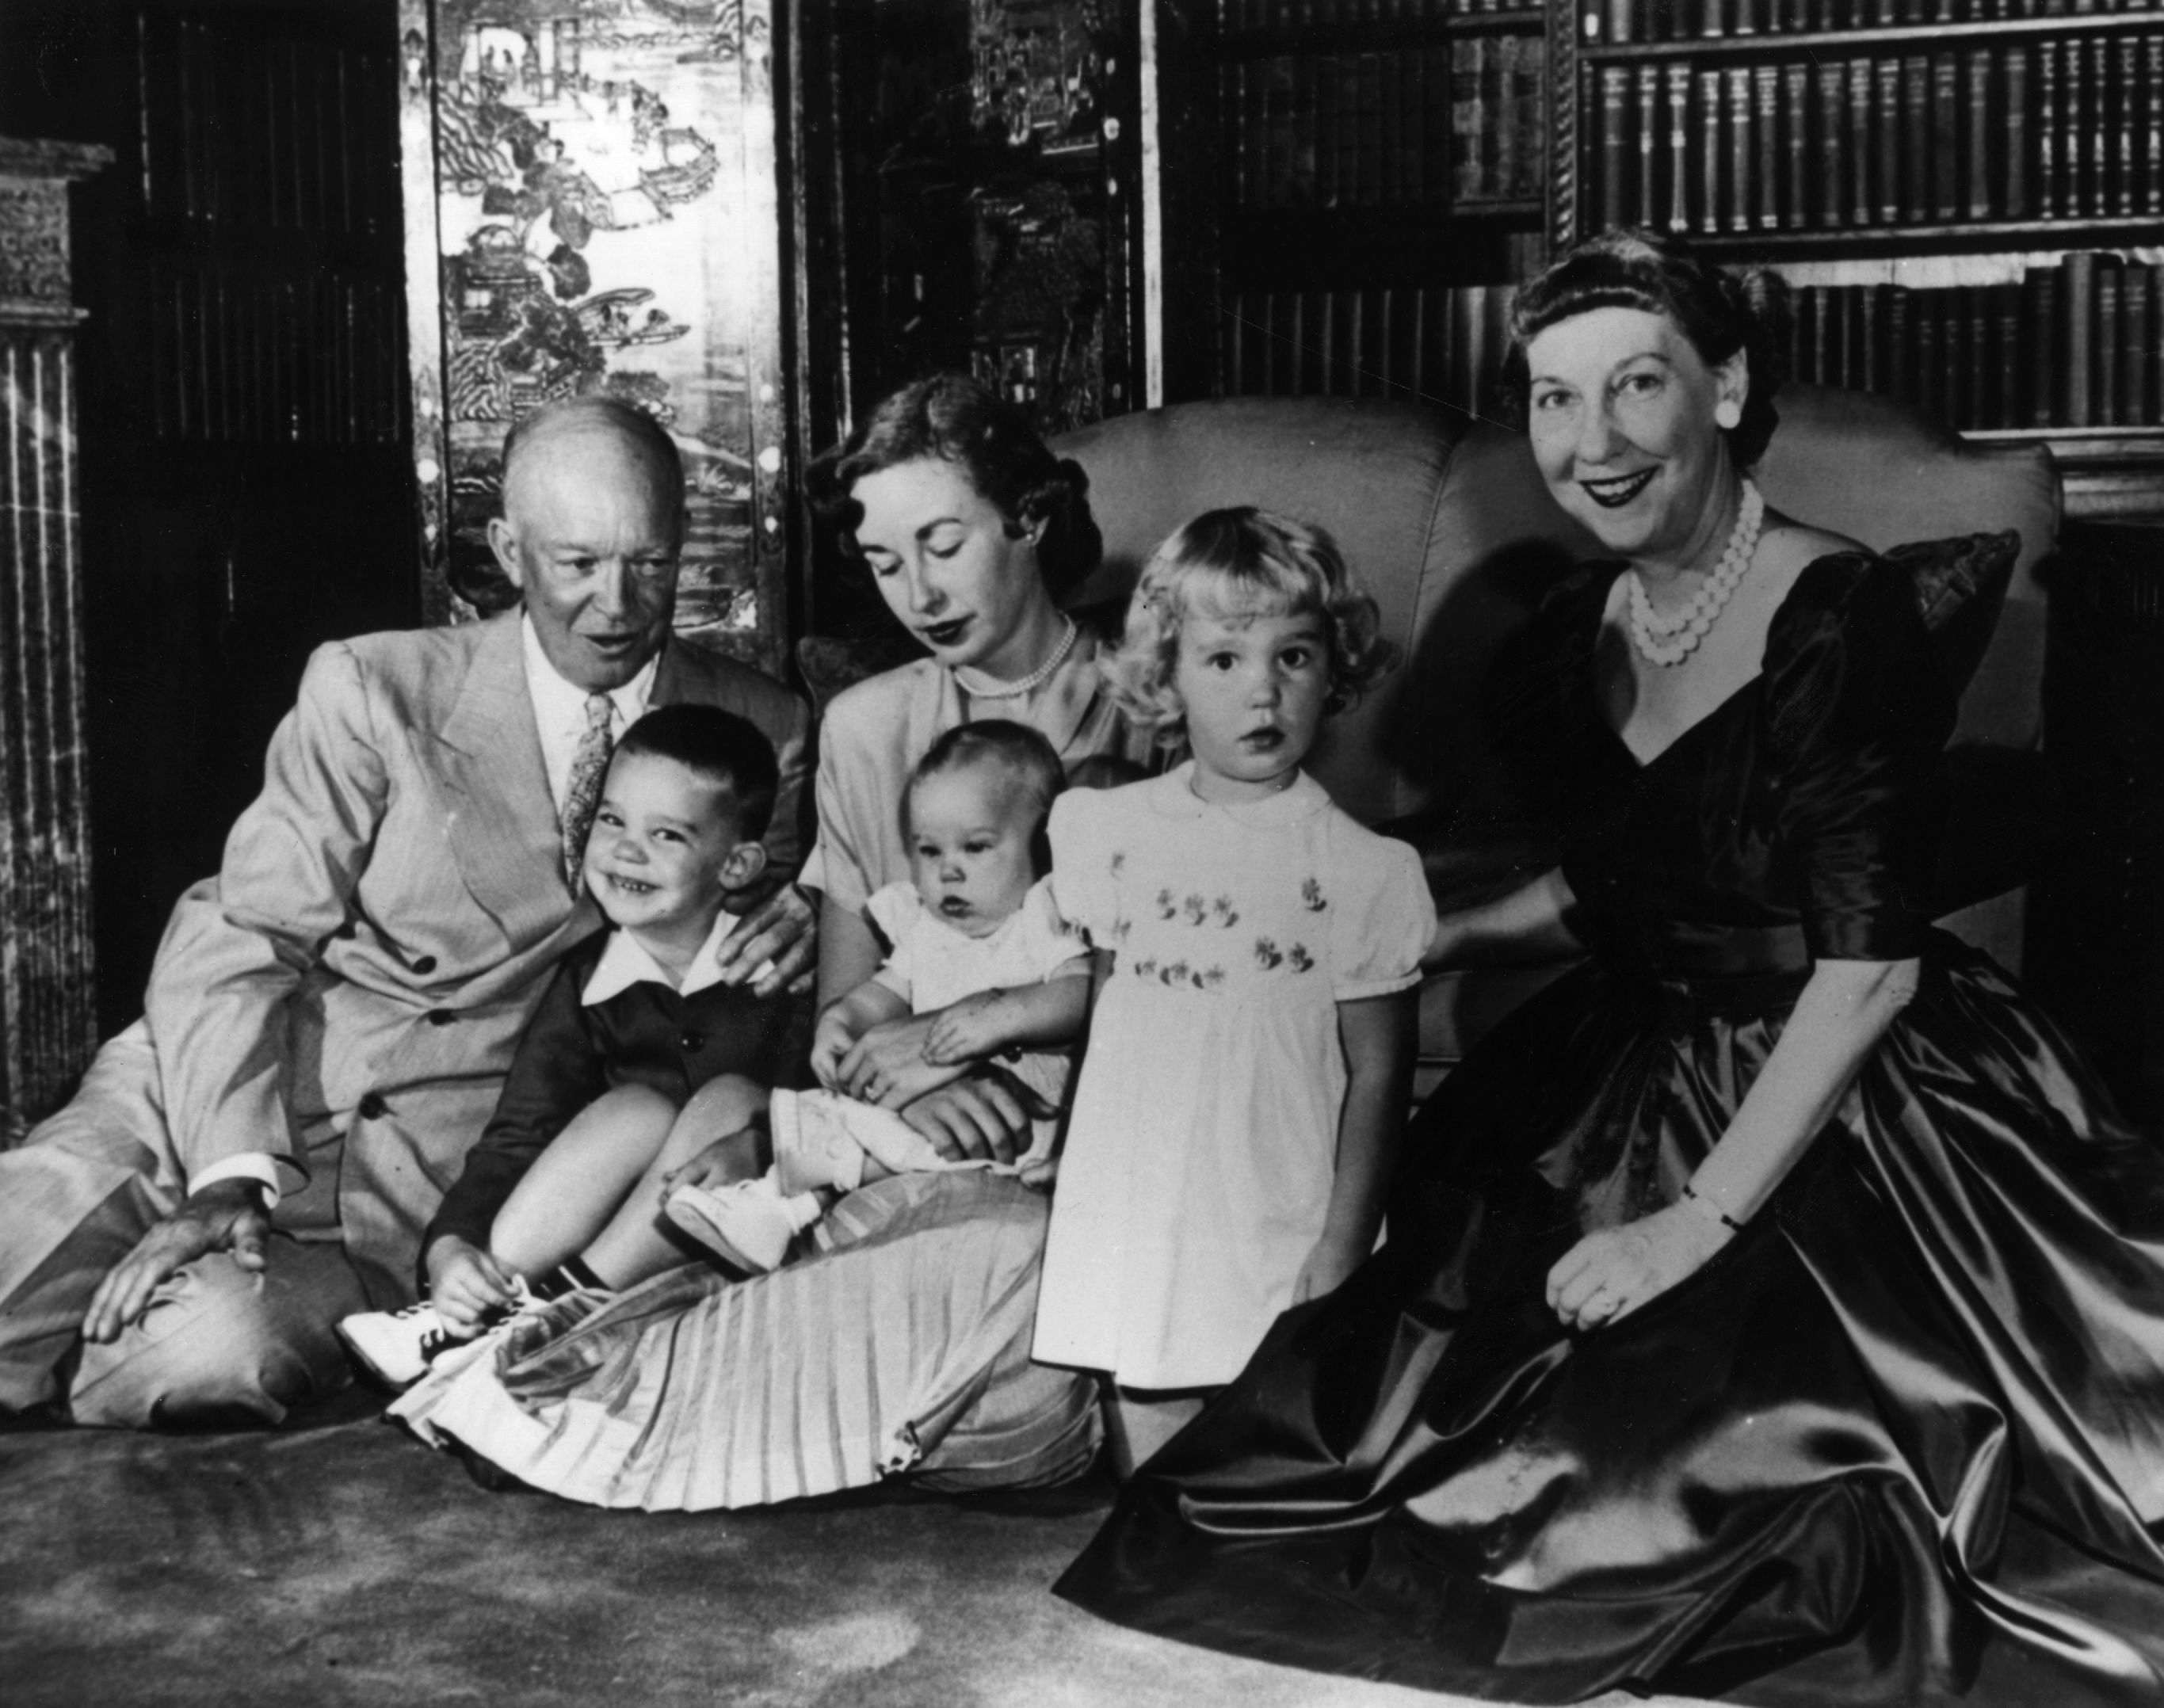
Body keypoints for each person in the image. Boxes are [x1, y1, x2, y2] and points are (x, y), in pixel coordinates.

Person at [1055, 230, 2164, 1706]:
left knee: (1722, 1502)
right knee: (1375, 1475)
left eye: (1635, 385)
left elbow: (1869, 971)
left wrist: (1686, 1230)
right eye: (1553, 399)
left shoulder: (1841, 614)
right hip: (1632, 1055)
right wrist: (1444, 933)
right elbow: (1619, 879)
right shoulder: (1574, 626)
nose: (1592, 442)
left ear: (1725, 390)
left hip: (1845, 1079)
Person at [319, 374, 1159, 1512]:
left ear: (1031, 518)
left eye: (943, 543)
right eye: (884, 560)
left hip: (1085, 1141)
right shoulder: (863, 727)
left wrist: (970, 1046)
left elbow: (1186, 984)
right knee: (844, 1242)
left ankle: (614, 1387)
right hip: (888, 1139)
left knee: (1011, 1301)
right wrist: (910, 1075)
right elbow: (841, 1022)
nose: (918, 592)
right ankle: (583, 1373)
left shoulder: (1152, 707)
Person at [0, 396, 814, 1428]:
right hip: (223, 1078)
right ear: (507, 550)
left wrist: (806, 907)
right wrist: (227, 1172)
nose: (616, 604)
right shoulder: (377, 685)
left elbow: (751, 972)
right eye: (576, 563)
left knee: (197, 1358)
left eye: (649, 563)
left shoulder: (763, 726)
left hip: (409, 1184)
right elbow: (242, 931)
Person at [1030, 507, 1431, 1474]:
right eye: (1223, 659)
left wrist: (1343, 1246)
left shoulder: (1363, 868)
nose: (1263, 690)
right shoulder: (1108, 831)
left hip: (1277, 1201)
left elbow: (1380, 1074)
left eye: (1293, 656)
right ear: (1165, 675)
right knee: (1147, 1440)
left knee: (1265, 1456)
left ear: (1334, 670)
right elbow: (1109, 1016)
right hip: (1142, 1196)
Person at [337, 705, 798, 1386]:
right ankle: (474, 1311)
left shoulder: (783, 970)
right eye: (611, 820)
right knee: (635, 1109)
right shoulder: (587, 980)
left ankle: (548, 1318)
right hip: (609, 1242)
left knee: (730, 1102)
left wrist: (760, 1144)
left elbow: (831, 1104)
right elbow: (519, 1134)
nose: (626, 851)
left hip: (746, 1244)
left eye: (666, 834)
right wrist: (451, 1249)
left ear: (736, 864)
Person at [662, 720, 1089, 1275]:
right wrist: (841, 1022)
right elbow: (881, 995)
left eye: (977, 847)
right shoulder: (930, 931)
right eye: (928, 850)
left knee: (844, 1128)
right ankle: (774, 1211)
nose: (948, 870)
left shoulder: (1043, 915)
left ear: (1045, 845)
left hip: (1020, 1124)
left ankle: (776, 1209)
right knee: (836, 1118)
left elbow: (1081, 994)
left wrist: (995, 1016)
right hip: (940, 1124)